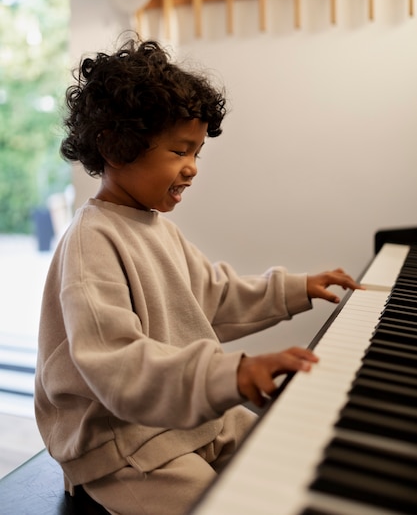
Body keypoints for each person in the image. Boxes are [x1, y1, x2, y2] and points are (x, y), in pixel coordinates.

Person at [34, 36, 361, 515]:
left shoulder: (155, 228)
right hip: (119, 443)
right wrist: (235, 371)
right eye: (179, 151)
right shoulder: (92, 243)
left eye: (197, 153)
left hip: (180, 416)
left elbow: (213, 297)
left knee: (290, 454)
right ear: (116, 146)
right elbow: (117, 367)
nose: (191, 169)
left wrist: (294, 289)